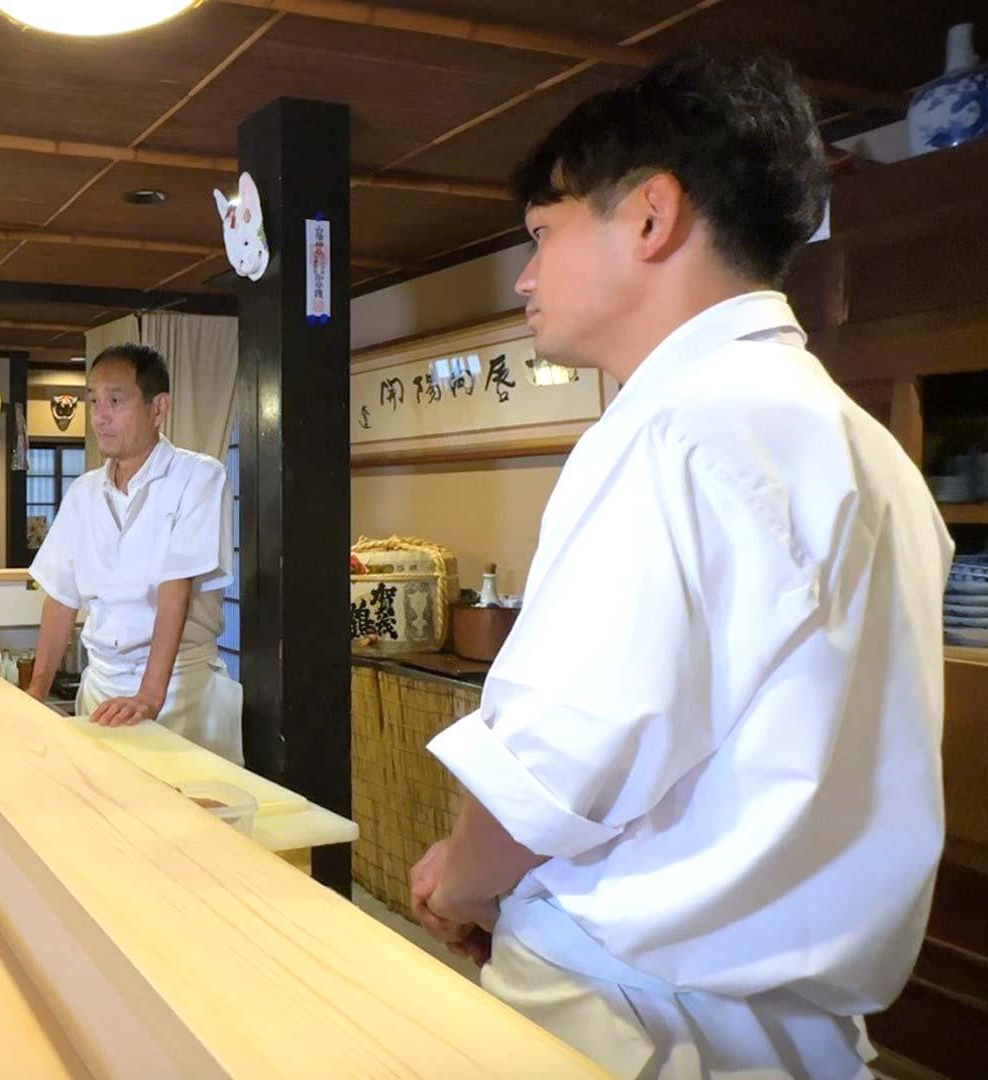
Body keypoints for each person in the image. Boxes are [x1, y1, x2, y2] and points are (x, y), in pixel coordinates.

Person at [408, 52, 951, 1079]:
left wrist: (463, 877)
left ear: (652, 216)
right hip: (797, 1036)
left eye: (543, 235)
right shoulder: (873, 454)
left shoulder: (675, 430)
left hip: (630, 1012)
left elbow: (553, 767)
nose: (526, 276)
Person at [26, 344, 243, 763]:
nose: (100, 415)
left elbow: (175, 589)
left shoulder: (198, 477)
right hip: (101, 686)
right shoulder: (84, 492)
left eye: (115, 400)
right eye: (94, 401)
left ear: (158, 408)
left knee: (187, 820)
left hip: (178, 688)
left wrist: (149, 695)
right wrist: (36, 689)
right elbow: (61, 598)